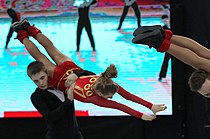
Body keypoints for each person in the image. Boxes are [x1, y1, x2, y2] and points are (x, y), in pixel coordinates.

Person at [12, 18, 166, 120]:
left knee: (51, 48)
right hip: (60, 77)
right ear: (99, 93)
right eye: (109, 97)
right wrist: (142, 115)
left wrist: (151, 106)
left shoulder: (103, 79)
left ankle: (28, 27)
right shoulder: (92, 97)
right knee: (40, 57)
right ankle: (21, 34)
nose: (111, 98)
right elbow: (121, 104)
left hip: (71, 68)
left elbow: (126, 98)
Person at [158, 14, 171, 82]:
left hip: (177, 47)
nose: (165, 21)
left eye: (166, 19)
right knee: (165, 61)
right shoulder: (163, 29)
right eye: (164, 20)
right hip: (169, 48)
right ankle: (161, 76)